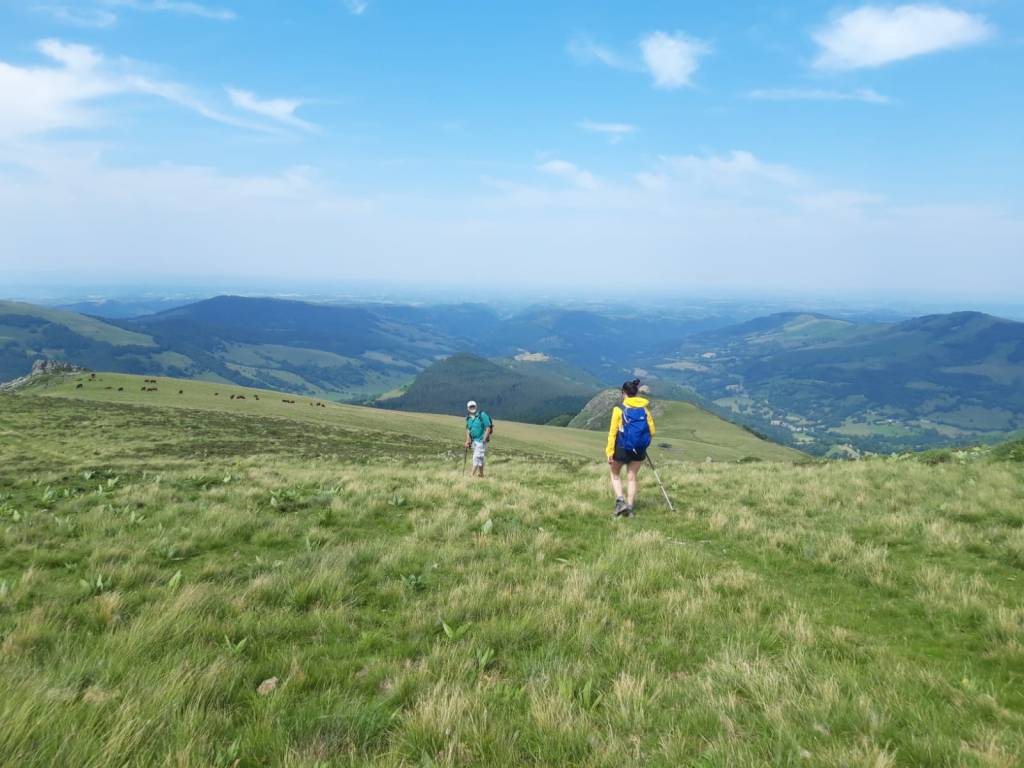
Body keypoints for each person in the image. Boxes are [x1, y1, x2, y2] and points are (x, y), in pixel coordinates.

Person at [606, 379, 655, 517]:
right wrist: (640, 441)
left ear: (624, 393)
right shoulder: (644, 409)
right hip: (639, 450)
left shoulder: (619, 410)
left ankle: (620, 502)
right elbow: (652, 431)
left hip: (622, 448)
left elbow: (612, 432)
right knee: (632, 477)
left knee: (615, 474)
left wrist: (609, 451)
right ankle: (630, 507)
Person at [464, 400, 493, 477]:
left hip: (481, 441)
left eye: (473, 406)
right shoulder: (468, 418)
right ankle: (481, 475)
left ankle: (471, 475)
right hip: (474, 441)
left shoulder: (482, 415)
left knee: (476, 457)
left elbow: (488, 427)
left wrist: (484, 439)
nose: (472, 408)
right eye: (470, 407)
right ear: (468, 408)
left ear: (476, 407)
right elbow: (468, 430)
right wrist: (468, 441)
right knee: (480, 458)